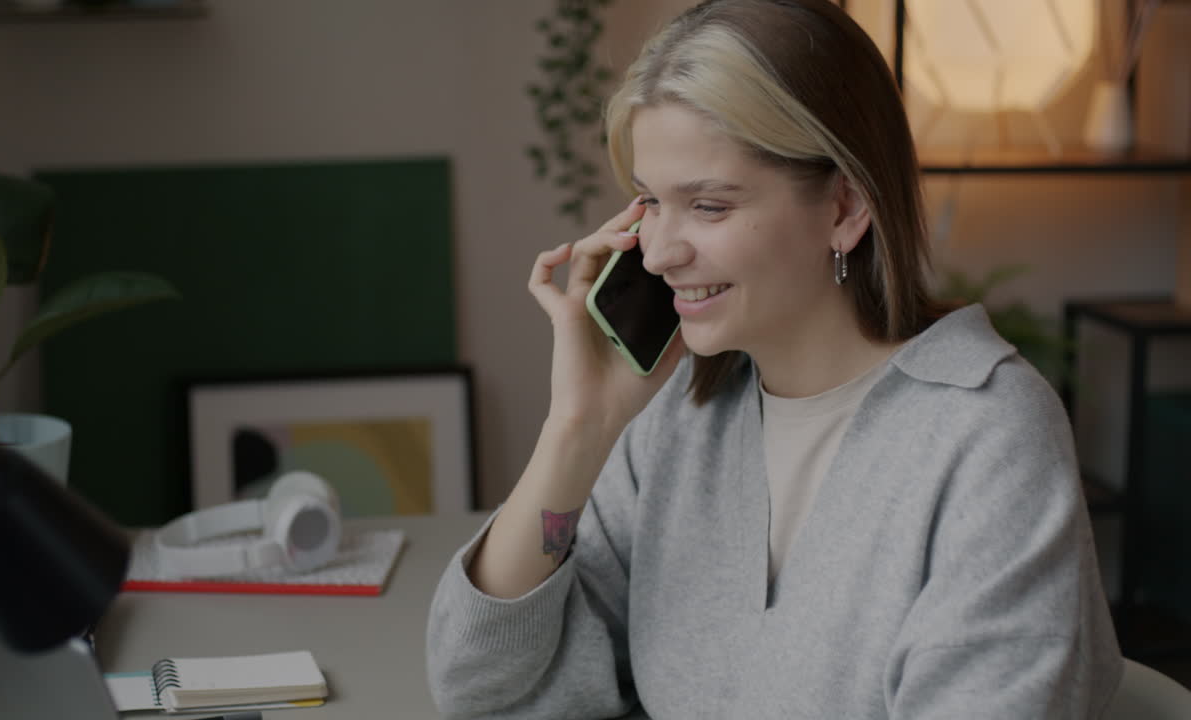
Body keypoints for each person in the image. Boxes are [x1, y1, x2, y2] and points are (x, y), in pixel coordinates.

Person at [426, 0, 1121, 717]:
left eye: (710, 206)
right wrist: (577, 430)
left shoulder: (988, 438)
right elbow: (481, 688)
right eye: (650, 202)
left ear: (846, 207)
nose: (660, 253)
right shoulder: (678, 422)